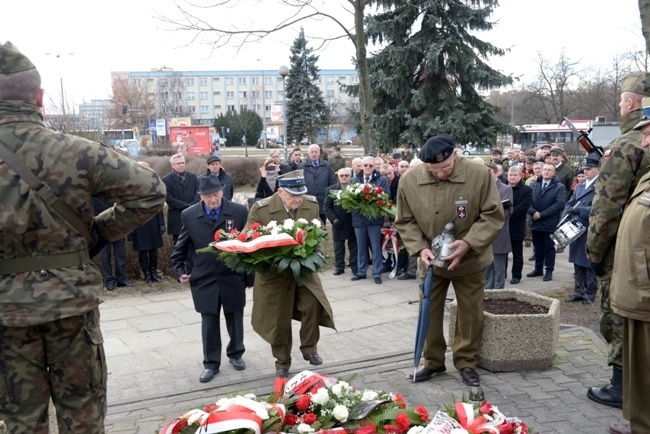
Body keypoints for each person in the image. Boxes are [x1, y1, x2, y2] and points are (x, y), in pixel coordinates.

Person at [0, 42, 166, 433]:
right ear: (39, 98)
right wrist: (98, 233)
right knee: (83, 413)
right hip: (72, 306)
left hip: (6, 312)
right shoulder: (77, 152)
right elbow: (151, 191)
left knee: (20, 420)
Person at [395, 133, 503, 387]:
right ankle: (432, 362)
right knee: (429, 312)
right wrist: (419, 248)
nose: (440, 174)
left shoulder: (479, 174)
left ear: (456, 154)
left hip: (470, 261)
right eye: (433, 169)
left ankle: (466, 362)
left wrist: (468, 243)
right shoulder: (410, 180)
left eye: (445, 168)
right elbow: (405, 220)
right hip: (431, 263)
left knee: (470, 314)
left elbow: (492, 215)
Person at [587, 79, 650, 418]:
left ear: (629, 104)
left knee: (619, 312)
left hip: (625, 245)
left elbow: (607, 206)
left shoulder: (626, 145)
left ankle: (622, 386)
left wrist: (594, 252)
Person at [245, 170, 336, 379]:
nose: (298, 199)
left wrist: (314, 254)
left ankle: (310, 348)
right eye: (292, 195)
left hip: (303, 269)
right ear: (279, 192)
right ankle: (282, 362)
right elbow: (249, 238)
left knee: (314, 302)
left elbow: (319, 233)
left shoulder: (311, 204)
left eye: (300, 194)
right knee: (279, 318)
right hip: (274, 273)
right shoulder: (261, 209)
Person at [171, 175, 250, 383]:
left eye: (215, 194)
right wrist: (179, 271)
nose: (212, 199)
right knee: (209, 322)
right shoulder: (189, 215)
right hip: (204, 278)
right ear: (201, 196)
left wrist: (249, 277)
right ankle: (211, 363)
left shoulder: (239, 212)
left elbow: (249, 245)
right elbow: (180, 247)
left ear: (222, 192)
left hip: (232, 276)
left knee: (235, 318)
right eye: (207, 195)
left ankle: (236, 353)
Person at [608, 131, 650, 433]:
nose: (645, 142)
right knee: (642, 373)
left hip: (645, 294)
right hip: (638, 294)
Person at [563, 153, 600, 304]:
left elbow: (601, 208)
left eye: (590, 168)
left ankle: (590, 293)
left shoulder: (601, 185)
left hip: (590, 227)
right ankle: (579, 291)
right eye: (585, 168)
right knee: (577, 261)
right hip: (576, 226)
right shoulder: (581, 185)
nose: (586, 171)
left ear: (598, 169)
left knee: (589, 262)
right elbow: (570, 202)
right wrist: (566, 216)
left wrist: (582, 211)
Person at [351, 156, 390, 284]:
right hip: (359, 219)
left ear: (374, 167)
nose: (367, 167)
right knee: (361, 247)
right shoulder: (355, 179)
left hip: (374, 219)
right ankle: (361, 272)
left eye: (370, 165)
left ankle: (377, 273)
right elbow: (350, 199)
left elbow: (386, 197)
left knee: (376, 247)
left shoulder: (381, 179)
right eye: (365, 165)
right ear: (361, 166)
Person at [526, 163, 566, 282]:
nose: (546, 171)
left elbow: (559, 204)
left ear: (554, 173)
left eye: (549, 170)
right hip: (535, 221)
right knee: (537, 247)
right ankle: (538, 269)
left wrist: (541, 214)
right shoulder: (534, 184)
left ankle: (549, 270)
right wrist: (533, 212)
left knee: (549, 248)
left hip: (549, 222)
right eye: (545, 169)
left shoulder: (559, 187)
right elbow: (527, 200)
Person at [131, 161, 166, 283]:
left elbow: (159, 206)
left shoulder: (154, 185)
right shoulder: (133, 187)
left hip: (153, 222)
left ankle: (153, 272)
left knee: (154, 251)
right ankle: (146, 274)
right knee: (142, 250)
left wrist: (161, 223)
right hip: (140, 223)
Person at [92, 198, 134, 290]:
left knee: (120, 253)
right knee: (105, 255)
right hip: (103, 225)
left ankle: (121, 279)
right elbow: (95, 204)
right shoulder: (97, 189)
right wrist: (111, 212)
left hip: (119, 224)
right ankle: (109, 281)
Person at [324, 167, 358, 276]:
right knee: (338, 247)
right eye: (341, 175)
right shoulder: (331, 189)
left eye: (346, 175)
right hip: (338, 223)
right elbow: (327, 207)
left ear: (350, 177)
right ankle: (339, 267)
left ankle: (354, 266)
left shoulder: (356, 189)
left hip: (352, 222)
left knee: (354, 247)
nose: (344, 177)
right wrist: (333, 219)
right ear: (337, 177)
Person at [484, 162, 513, 289]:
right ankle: (488, 291)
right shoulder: (482, 188)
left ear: (496, 173)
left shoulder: (505, 189)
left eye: (488, 172)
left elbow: (508, 212)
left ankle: (498, 293)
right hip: (485, 234)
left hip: (499, 234)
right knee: (487, 268)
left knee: (499, 268)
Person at [163, 154, 200, 247]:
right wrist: (187, 206)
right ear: (172, 165)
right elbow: (169, 199)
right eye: (178, 163)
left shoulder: (193, 177)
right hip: (176, 217)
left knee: (194, 245)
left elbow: (199, 192)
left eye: (183, 163)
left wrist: (193, 205)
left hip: (193, 216)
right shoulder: (166, 180)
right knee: (179, 246)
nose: (181, 165)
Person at [507, 166, 532, 285]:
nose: (512, 177)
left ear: (520, 176)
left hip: (517, 224)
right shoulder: (503, 188)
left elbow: (524, 206)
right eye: (510, 175)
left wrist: (508, 213)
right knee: (502, 253)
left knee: (517, 253)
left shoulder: (526, 190)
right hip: (503, 225)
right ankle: (501, 273)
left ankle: (516, 275)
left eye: (514, 175)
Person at [299, 144, 335, 225]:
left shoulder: (327, 165)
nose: (314, 154)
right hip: (307, 200)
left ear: (319, 153)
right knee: (308, 225)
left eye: (316, 152)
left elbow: (331, 183)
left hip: (322, 201)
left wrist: (330, 199)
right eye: (312, 152)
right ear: (309, 153)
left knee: (322, 225)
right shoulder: (302, 166)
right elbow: (299, 184)